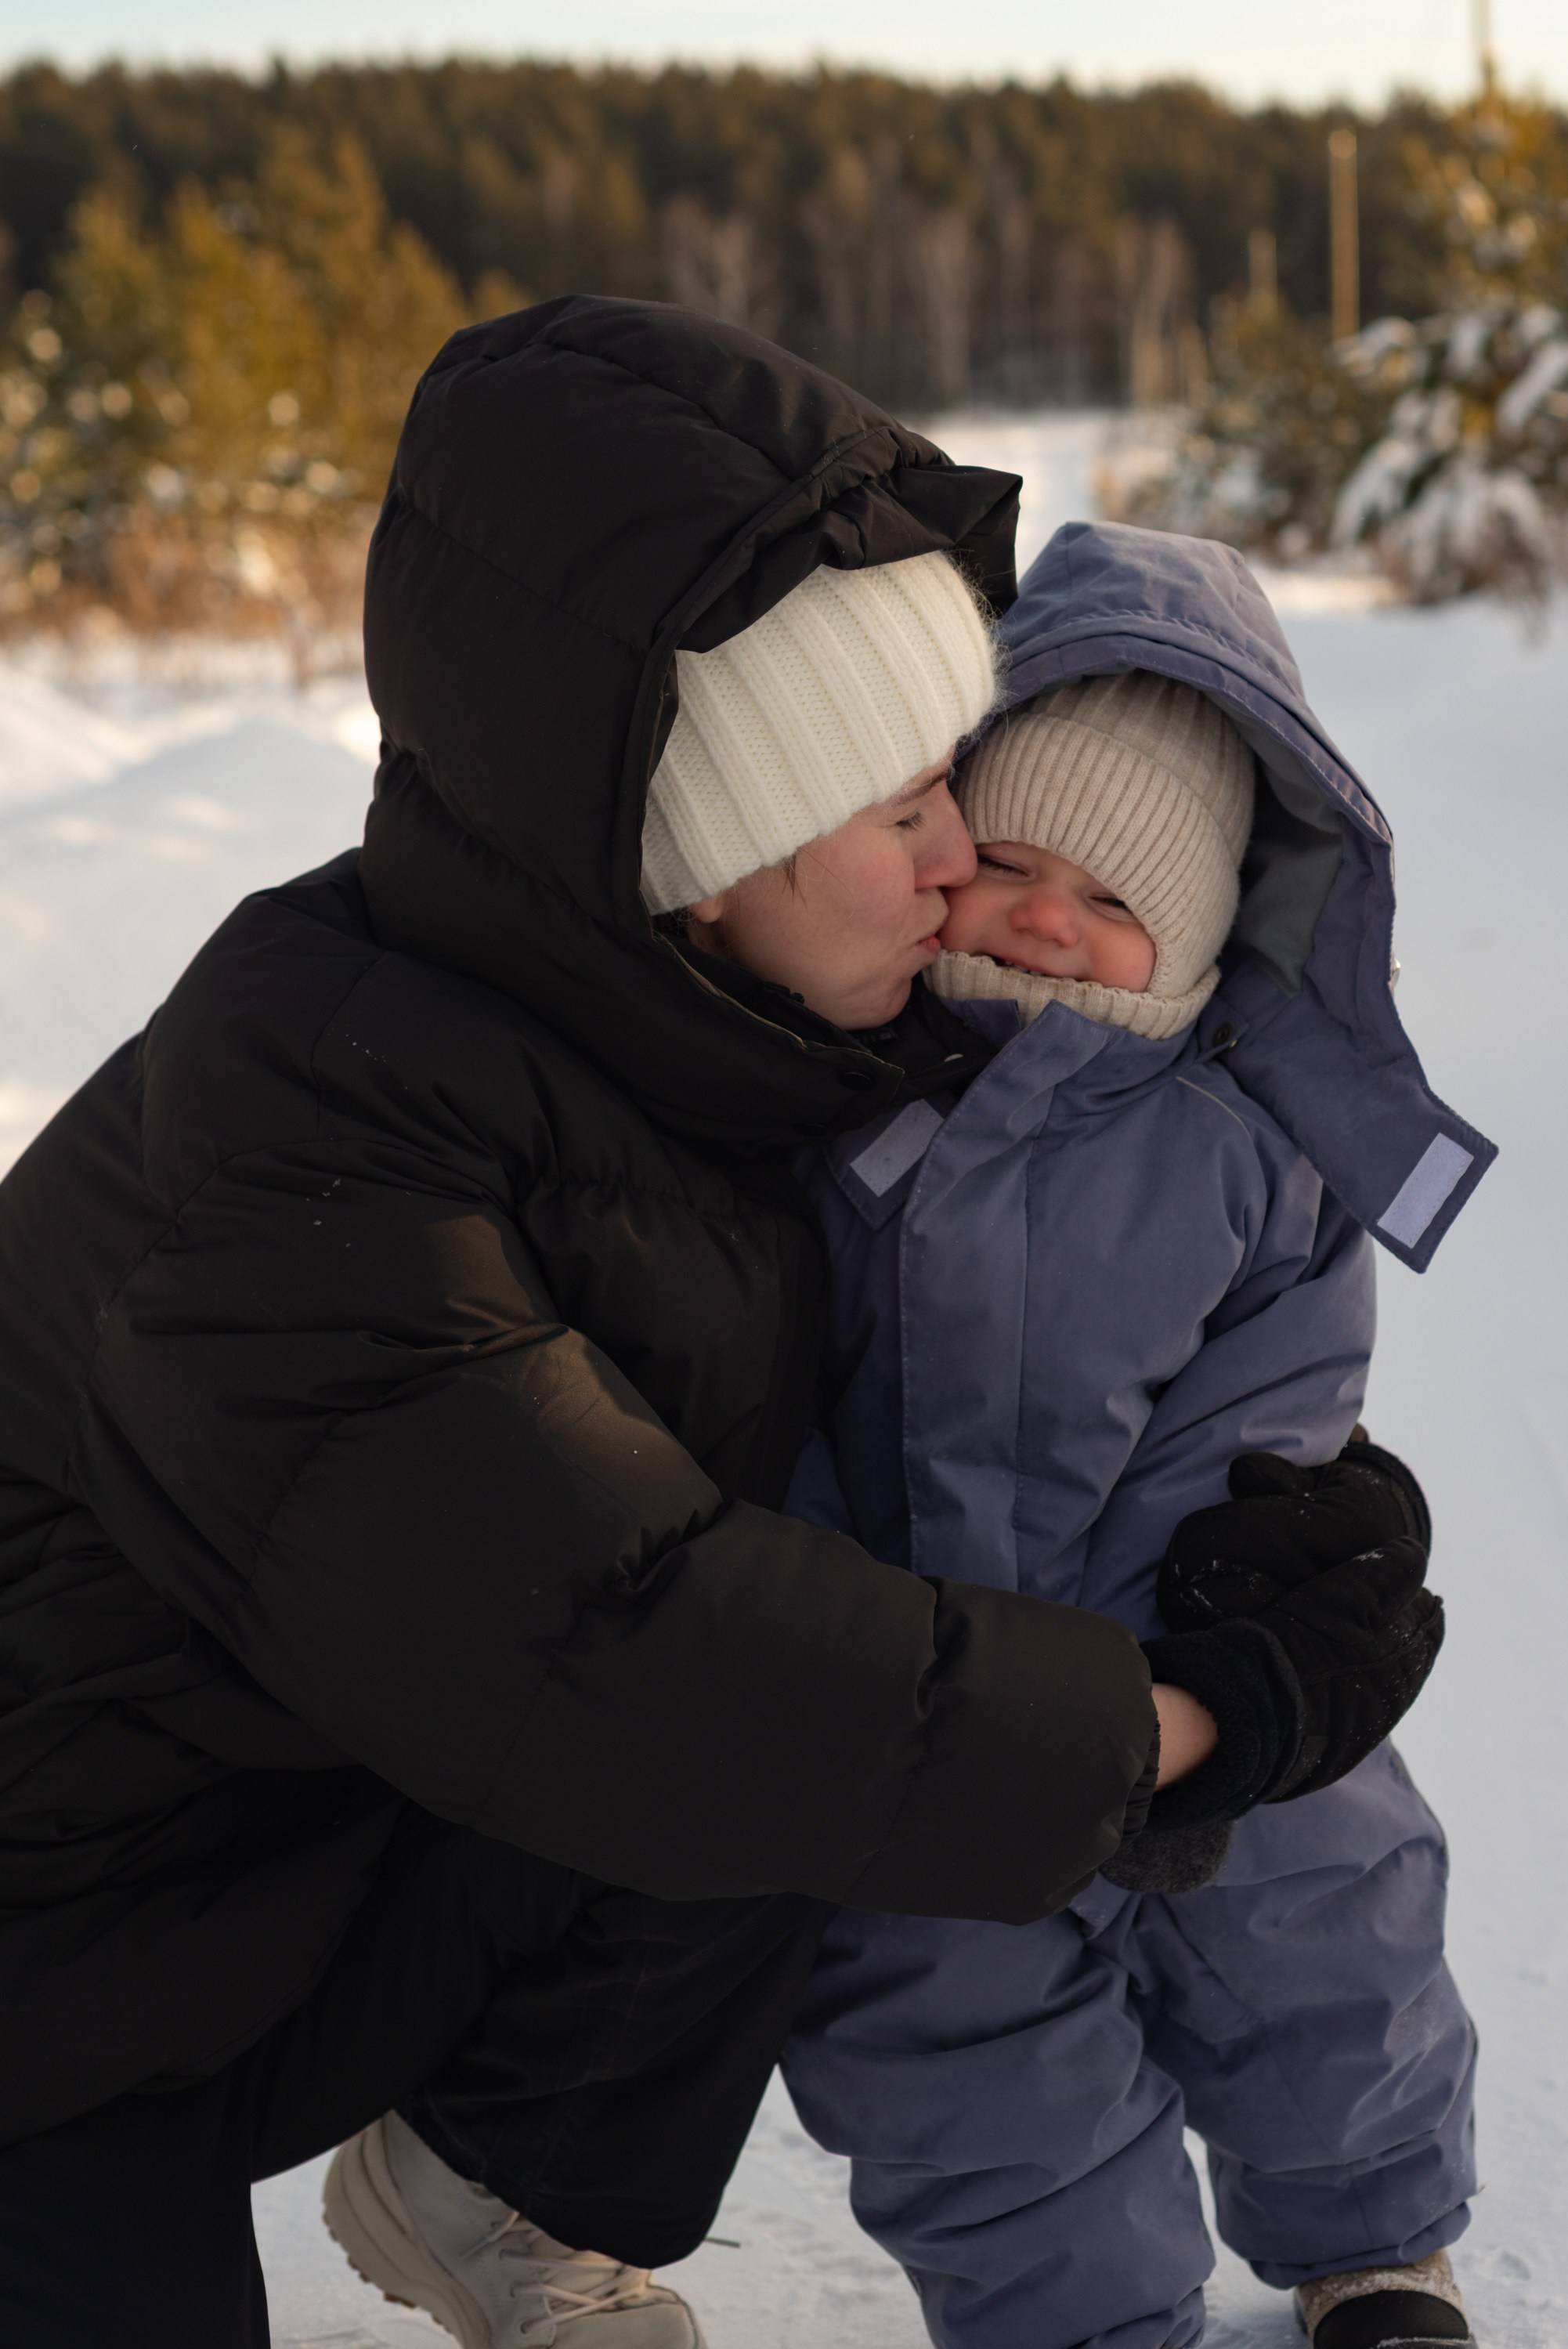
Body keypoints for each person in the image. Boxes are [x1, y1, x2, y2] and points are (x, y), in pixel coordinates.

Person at [0, 304, 1444, 2349]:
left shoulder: (729, 1018)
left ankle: (500, 2178)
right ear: (698, 863)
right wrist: (1190, 1723)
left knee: (817, 1668)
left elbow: (1023, 1304)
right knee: (755, 1694)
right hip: (51, 1964)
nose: (965, 875)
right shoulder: (314, 1135)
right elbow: (622, 1647)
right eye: (906, 815)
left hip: (311, 1841)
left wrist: (1275, 1491)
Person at [779, 522, 1493, 2349]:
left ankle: (1374, 2241)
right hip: (914, 1719)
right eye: (1002, 860)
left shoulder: (1254, 1156)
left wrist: (1187, 1678)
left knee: (1327, 1925)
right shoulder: (839, 1107)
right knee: (958, 2054)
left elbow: (1270, 1420)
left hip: (1179, 1653)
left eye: (1106, 899)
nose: (1038, 915)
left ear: (1191, 934)